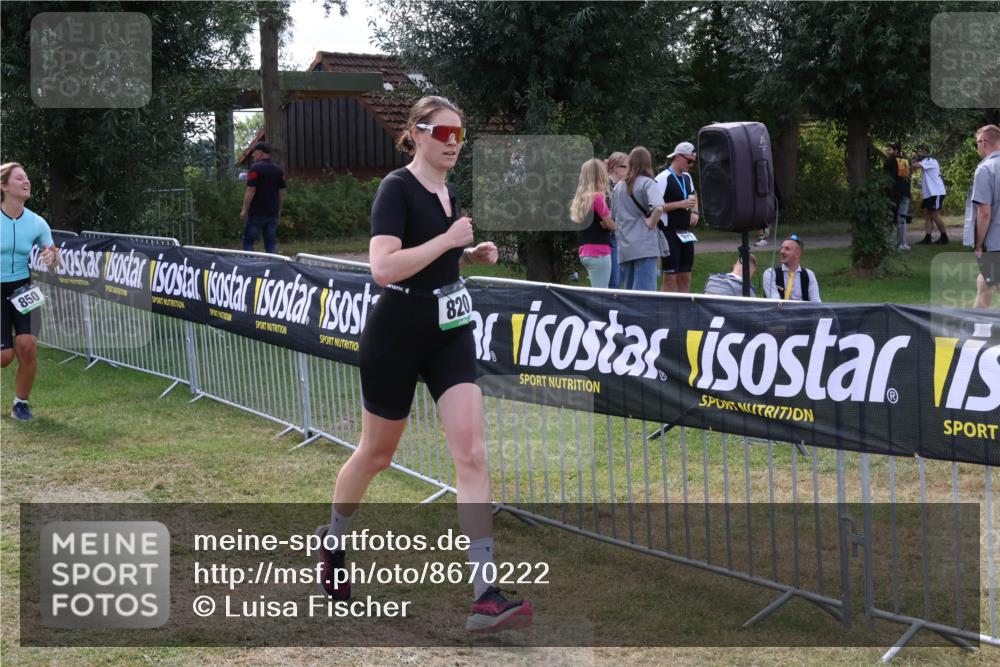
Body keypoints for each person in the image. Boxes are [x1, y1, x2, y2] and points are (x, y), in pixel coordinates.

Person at [315, 96, 533, 633]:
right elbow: (384, 269)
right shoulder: (396, 188)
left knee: (474, 453)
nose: (454, 141)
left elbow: (434, 257)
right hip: (396, 334)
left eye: (460, 132)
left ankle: (485, 595)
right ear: (416, 133)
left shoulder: (445, 190)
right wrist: (446, 240)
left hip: (450, 331)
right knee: (376, 454)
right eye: (444, 132)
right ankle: (333, 541)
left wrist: (466, 253)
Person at [1, 162, 59, 420]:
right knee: (4, 356)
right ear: (3, 186)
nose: (27, 182)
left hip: (24, 287)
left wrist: (52, 258)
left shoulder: (37, 222)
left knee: (27, 347)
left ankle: (20, 404)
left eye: (28, 178)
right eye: (20, 179)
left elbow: (53, 255)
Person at [611, 147, 668, 292]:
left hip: (625, 246)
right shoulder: (648, 183)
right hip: (645, 245)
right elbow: (659, 208)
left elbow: (614, 216)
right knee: (645, 294)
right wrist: (651, 222)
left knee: (629, 293)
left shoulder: (618, 187)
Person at [655, 142, 699, 293]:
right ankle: (664, 314)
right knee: (669, 279)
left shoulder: (687, 177)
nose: (691, 165)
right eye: (689, 161)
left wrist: (695, 212)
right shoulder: (662, 178)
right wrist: (680, 204)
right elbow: (654, 207)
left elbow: (694, 194)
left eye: (693, 161)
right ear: (678, 157)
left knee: (686, 276)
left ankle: (682, 313)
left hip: (685, 233)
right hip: (668, 233)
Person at [570, 158, 615, 288]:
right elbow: (611, 224)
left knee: (597, 289)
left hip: (585, 251)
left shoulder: (581, 198)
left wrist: (605, 223)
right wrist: (609, 224)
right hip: (599, 251)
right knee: (601, 293)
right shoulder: (597, 197)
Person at [971, 124, 1000, 309]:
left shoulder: (986, 169)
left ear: (983, 143)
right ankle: (973, 328)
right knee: (984, 282)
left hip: (995, 242)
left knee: (988, 283)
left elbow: (984, 212)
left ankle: (971, 329)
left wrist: (979, 243)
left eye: (977, 143)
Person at [239, 142, 286, 254]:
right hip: (272, 214)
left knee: (248, 241)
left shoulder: (254, 169)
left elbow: (251, 189)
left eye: (254, 153)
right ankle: (271, 268)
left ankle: (249, 267)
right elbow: (281, 193)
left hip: (257, 213)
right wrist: (279, 210)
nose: (253, 155)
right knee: (270, 243)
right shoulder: (279, 170)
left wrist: (244, 209)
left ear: (260, 153)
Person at [761, 235, 821, 302]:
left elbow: (816, 302)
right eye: (782, 248)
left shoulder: (809, 275)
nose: (782, 252)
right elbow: (775, 301)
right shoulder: (770, 273)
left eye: (787, 249)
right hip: (779, 312)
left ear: (797, 254)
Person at [911, 145, 949, 245]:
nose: (920, 153)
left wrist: (913, 159)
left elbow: (914, 166)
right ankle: (927, 238)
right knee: (928, 215)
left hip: (936, 192)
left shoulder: (930, 160)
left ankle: (944, 237)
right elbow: (914, 168)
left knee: (934, 214)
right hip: (930, 193)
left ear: (927, 152)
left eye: (922, 151)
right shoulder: (925, 162)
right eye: (918, 151)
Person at [883, 141, 912, 251]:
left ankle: (891, 243)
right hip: (906, 193)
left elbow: (885, 175)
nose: (887, 151)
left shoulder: (890, 160)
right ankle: (902, 243)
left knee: (891, 218)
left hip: (894, 194)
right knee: (902, 219)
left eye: (889, 149)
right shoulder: (905, 160)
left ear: (896, 151)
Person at [606, 151, 628, 289]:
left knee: (620, 281)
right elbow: (608, 216)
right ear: (615, 167)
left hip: (620, 239)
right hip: (610, 239)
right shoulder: (606, 187)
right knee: (614, 282)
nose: (629, 170)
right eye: (626, 166)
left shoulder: (621, 186)